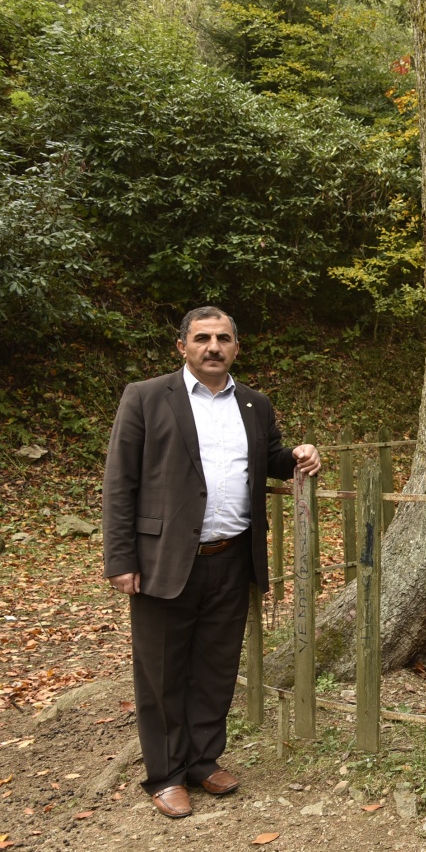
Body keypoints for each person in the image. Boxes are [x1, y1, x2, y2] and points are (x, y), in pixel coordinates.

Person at [102, 306, 320, 818]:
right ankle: (166, 774)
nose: (213, 347)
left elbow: (268, 459)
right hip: (163, 561)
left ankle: (202, 760)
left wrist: (299, 455)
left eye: (223, 338)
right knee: (161, 672)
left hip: (232, 556)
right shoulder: (147, 397)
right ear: (182, 346)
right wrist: (120, 558)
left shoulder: (253, 404)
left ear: (236, 347)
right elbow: (120, 482)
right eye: (202, 338)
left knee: (216, 669)